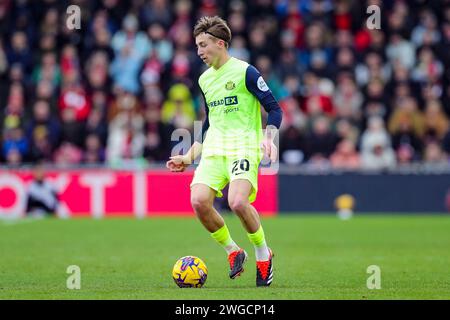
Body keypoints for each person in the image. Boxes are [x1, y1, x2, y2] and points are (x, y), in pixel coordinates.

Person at [166, 16, 282, 287]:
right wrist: (188, 157)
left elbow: (275, 109)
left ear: (221, 43)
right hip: (215, 149)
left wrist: (269, 137)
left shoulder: (246, 72)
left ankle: (263, 255)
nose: (199, 52)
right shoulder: (205, 80)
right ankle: (233, 250)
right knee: (198, 201)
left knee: (238, 202)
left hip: (243, 145)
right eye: (196, 46)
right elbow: (209, 123)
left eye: (203, 45)